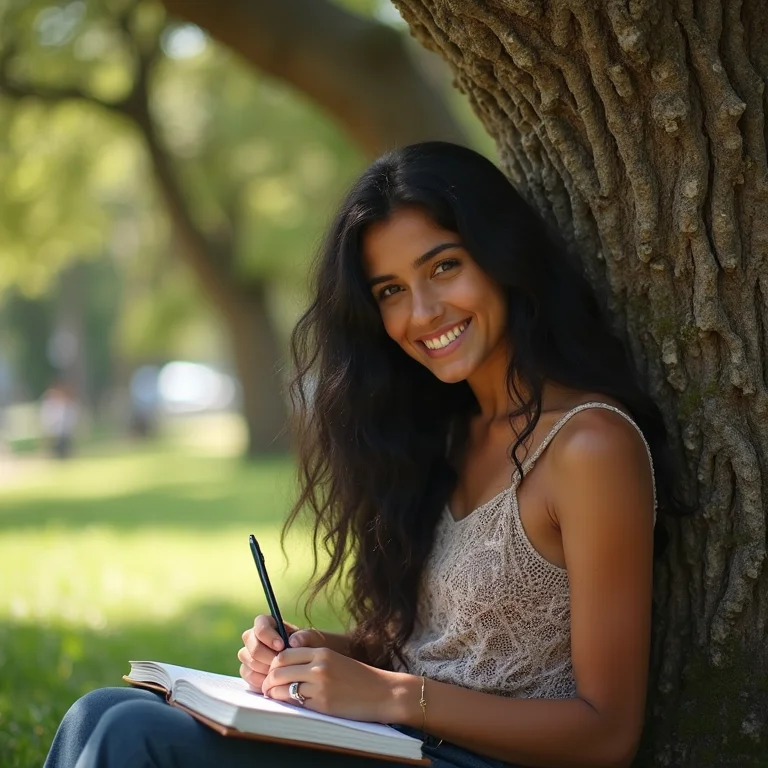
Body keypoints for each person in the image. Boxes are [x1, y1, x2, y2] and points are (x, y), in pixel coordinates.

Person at [44, 142, 683, 768]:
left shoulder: (589, 446)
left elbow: (607, 736)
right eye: (389, 291)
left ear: (502, 258)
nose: (423, 312)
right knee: (98, 712)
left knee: (134, 736)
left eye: (444, 267)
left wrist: (389, 695)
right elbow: (444, 652)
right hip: (402, 743)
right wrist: (328, 655)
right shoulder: (445, 433)